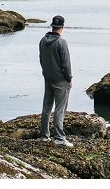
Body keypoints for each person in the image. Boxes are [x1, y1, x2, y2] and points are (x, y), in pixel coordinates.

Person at [39, 15, 73, 147]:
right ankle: (59, 138)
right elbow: (66, 64)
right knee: (60, 109)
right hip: (60, 81)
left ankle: (44, 135)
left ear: (52, 26)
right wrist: (69, 79)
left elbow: (41, 59)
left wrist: (46, 74)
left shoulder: (42, 40)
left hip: (48, 78)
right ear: (62, 27)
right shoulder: (61, 42)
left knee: (46, 107)